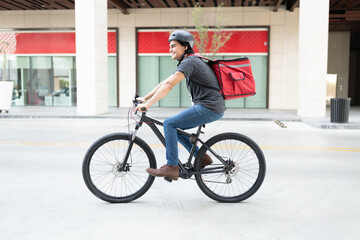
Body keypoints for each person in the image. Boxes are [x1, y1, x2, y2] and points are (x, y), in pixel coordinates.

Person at [136, 30, 225, 180]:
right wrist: (145, 98)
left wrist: (148, 105)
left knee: (169, 123)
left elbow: (170, 85)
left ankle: (172, 167)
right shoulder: (189, 61)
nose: (170, 49)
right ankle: (201, 157)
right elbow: (165, 82)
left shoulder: (190, 62)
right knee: (174, 128)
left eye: (173, 46)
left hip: (209, 107)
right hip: (210, 107)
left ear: (185, 47)